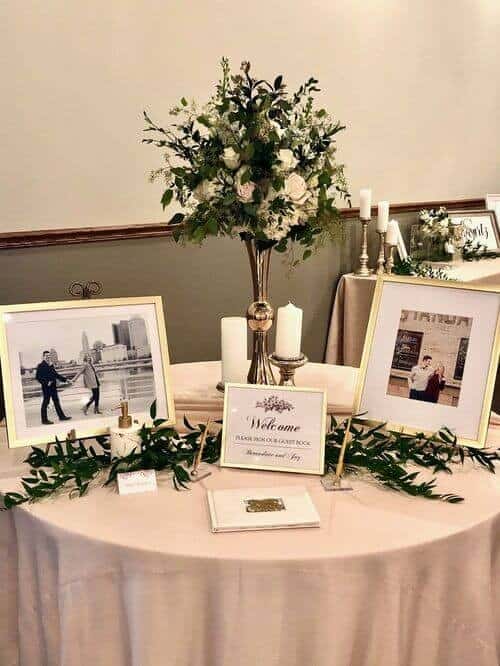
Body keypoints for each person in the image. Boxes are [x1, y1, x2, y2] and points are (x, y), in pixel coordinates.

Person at [35, 351, 72, 425]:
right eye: (46, 356)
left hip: (53, 387)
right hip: (46, 387)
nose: (48, 357)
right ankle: (44, 420)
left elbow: (56, 375)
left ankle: (61, 417)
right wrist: (46, 382)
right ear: (43, 357)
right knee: (46, 403)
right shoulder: (40, 365)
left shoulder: (51, 365)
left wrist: (65, 380)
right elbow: (38, 377)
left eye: (49, 356)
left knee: (56, 402)